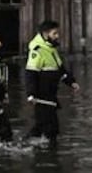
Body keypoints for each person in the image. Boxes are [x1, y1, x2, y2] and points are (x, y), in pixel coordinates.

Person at [24, 20, 80, 149]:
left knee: (44, 126)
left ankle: (31, 145)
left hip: (50, 95)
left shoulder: (51, 49)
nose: (57, 36)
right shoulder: (37, 50)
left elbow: (60, 69)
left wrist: (71, 82)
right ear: (45, 34)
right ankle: (39, 149)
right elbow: (30, 74)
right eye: (54, 33)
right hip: (42, 96)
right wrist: (31, 94)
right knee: (49, 126)